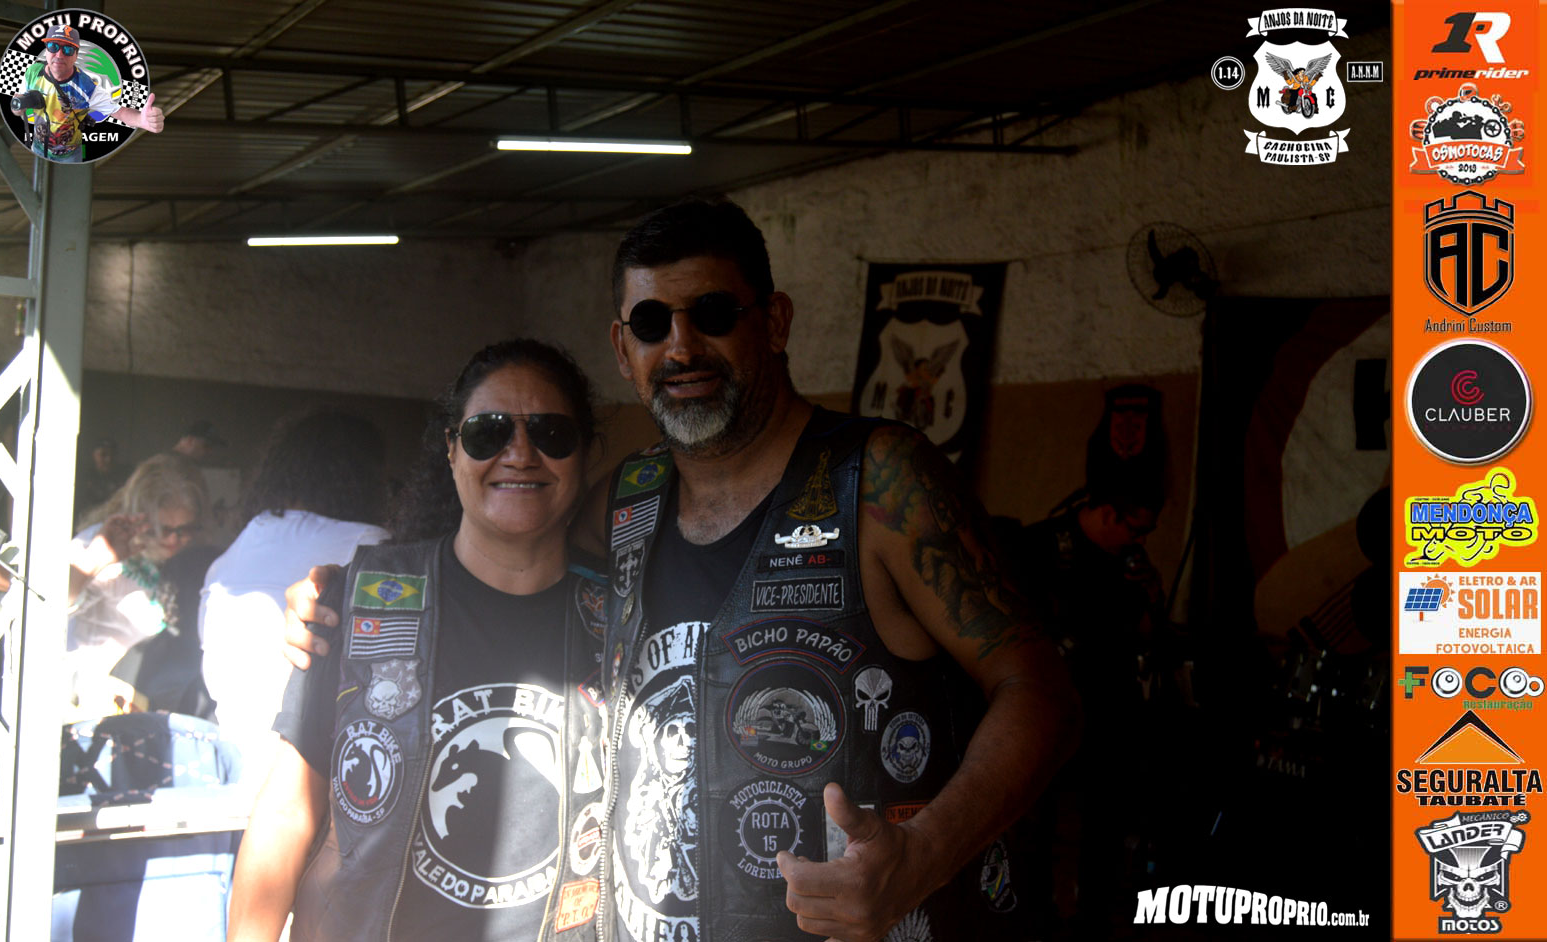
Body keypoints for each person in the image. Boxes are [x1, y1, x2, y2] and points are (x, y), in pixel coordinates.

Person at [284, 198, 1079, 942]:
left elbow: (1039, 688)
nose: (682, 347)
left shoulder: (877, 480)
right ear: (622, 349)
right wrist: (347, 597)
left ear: (775, 322)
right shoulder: (628, 497)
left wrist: (924, 853)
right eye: (651, 322)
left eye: (713, 314)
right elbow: (503, 539)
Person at [230, 340, 608, 942]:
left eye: (551, 433)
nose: (519, 454)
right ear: (452, 450)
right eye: (488, 432)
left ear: (585, 453)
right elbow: (287, 810)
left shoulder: (625, 617)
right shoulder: (359, 601)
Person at [994, 473, 1167, 938]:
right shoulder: (1041, 547)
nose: (1140, 541)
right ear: (1109, 514)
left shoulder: (1127, 561)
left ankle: (1092, 920)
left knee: (1105, 822)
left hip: (1109, 711)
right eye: (1136, 529)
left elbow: (1146, 634)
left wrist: (1151, 593)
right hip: (1049, 709)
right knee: (1037, 823)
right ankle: (1034, 918)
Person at [198, 409, 390, 788]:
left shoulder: (238, 548)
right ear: (367, 477)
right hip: (313, 782)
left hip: (230, 771)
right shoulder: (371, 546)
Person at [67, 452, 207, 719]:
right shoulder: (102, 541)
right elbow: (47, 605)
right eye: (161, 529)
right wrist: (95, 561)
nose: (173, 540)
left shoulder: (187, 560)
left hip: (150, 702)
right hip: (91, 699)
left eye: (184, 530)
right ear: (138, 515)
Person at [12, 25, 164, 163]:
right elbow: (18, 103)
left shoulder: (86, 87)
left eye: (68, 49)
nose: (59, 54)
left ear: (76, 55)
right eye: (53, 46)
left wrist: (141, 120)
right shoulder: (33, 72)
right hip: (37, 148)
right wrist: (17, 107)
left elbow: (120, 112)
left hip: (69, 157)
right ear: (46, 50)